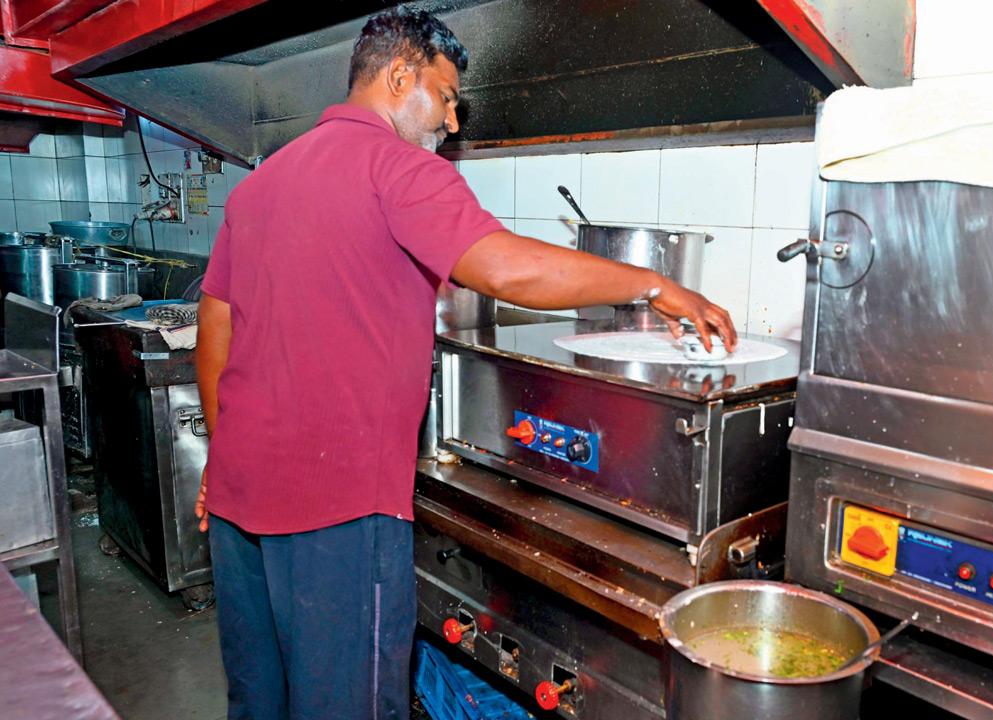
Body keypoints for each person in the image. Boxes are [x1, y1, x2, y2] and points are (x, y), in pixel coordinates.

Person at [193, 7, 736, 719]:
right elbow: (508, 270)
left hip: (238, 507)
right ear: (399, 76)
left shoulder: (263, 183)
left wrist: (223, 458)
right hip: (338, 515)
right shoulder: (397, 167)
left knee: (260, 704)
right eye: (447, 97)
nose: (451, 122)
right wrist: (655, 283)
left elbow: (216, 324)